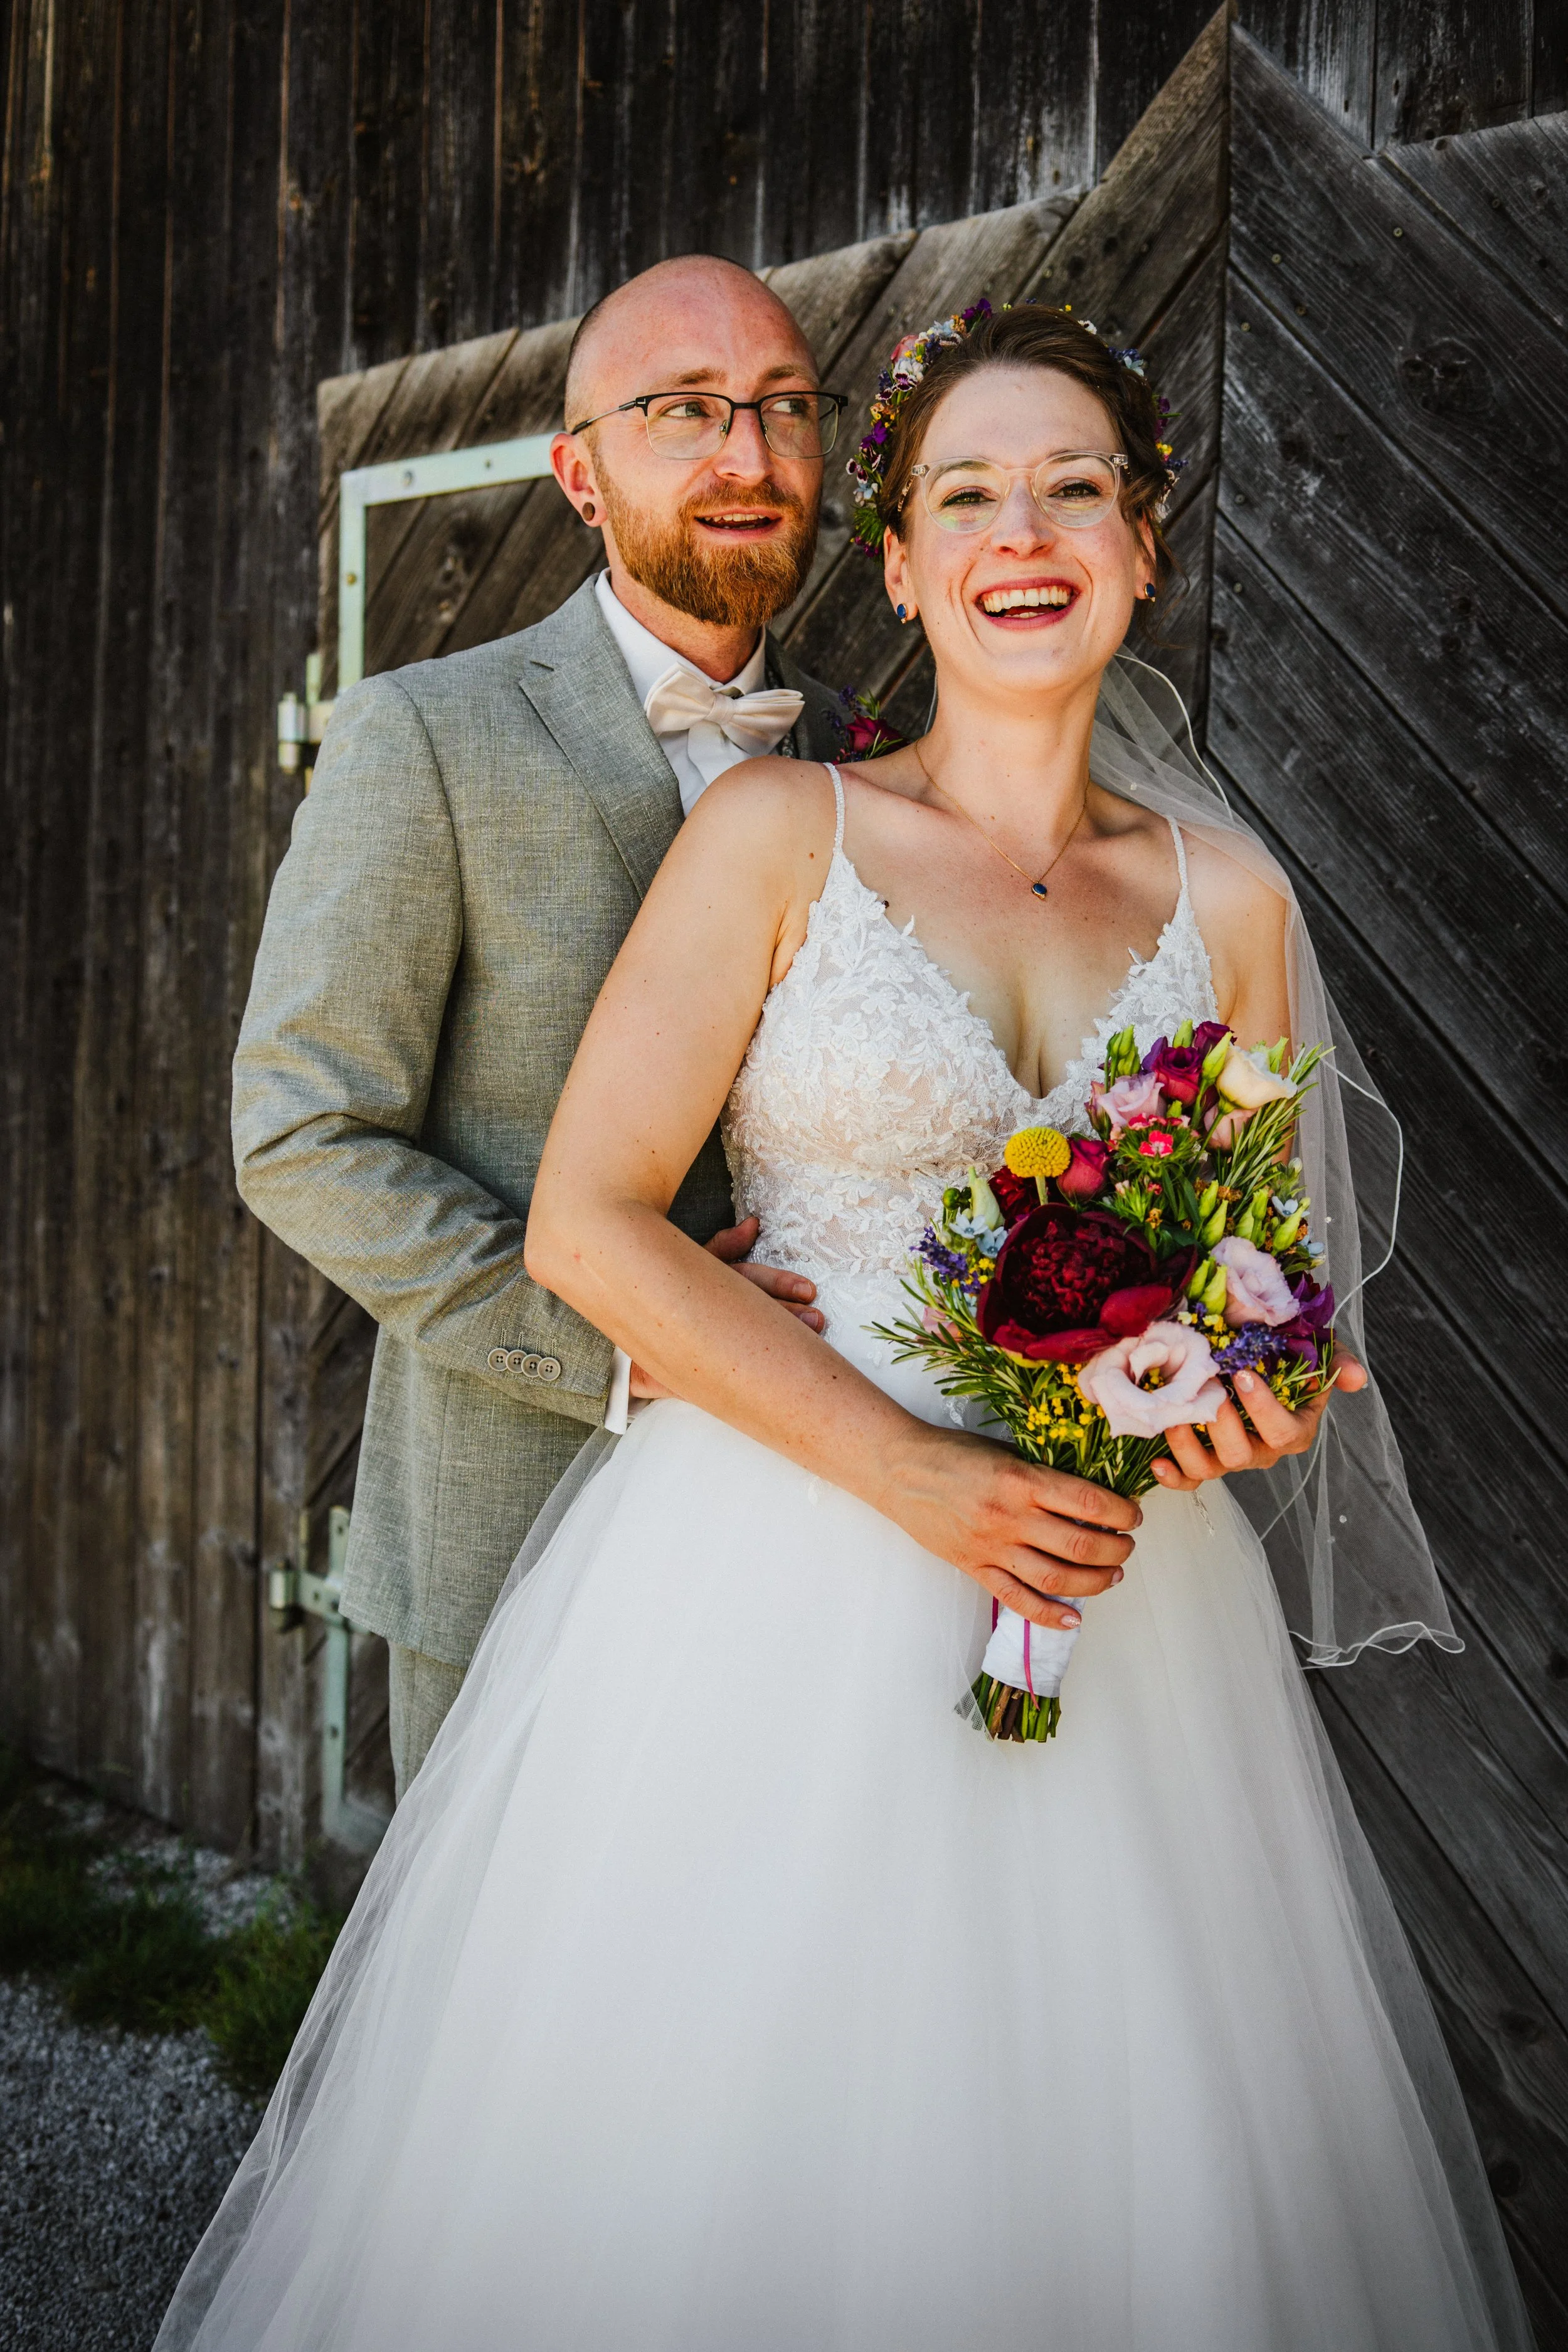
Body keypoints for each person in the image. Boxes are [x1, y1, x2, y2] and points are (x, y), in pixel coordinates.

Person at [163, 304, 1529, 2350]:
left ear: (1146, 545)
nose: (1025, 528)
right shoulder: (777, 835)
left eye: (1079, 484)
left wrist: (1251, 1380)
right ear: (899, 565)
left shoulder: (1233, 899)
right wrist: (919, 1475)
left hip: (1121, 1623)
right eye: (968, 492)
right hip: (768, 1573)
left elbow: (1252, 1278)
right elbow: (591, 1223)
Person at [233, 254, 846, 1794]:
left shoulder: (869, 755)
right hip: (523, 1503)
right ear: (579, 475)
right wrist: (632, 1341)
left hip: (831, 1516)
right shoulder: (421, 737)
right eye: (684, 410)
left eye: (782, 408)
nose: (746, 456)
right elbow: (300, 1134)